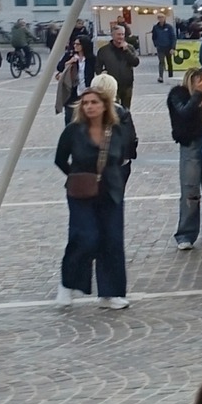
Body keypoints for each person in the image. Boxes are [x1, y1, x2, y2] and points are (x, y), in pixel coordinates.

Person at [55, 83, 135, 309]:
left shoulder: (116, 130)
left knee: (112, 240)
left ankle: (110, 293)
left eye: (94, 102)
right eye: (86, 103)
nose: (89, 106)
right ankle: (67, 283)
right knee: (85, 237)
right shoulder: (73, 130)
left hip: (110, 192)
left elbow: (122, 156)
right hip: (81, 192)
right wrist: (76, 176)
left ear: (104, 106)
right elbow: (60, 158)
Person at [169, 68, 202, 249]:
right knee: (190, 190)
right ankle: (185, 234)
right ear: (196, 80)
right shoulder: (178, 94)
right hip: (190, 143)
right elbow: (184, 113)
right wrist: (198, 94)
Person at [97, 25, 141, 111]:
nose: (121, 37)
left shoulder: (130, 48)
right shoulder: (104, 50)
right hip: (111, 86)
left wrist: (127, 51)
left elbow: (135, 62)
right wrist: (102, 74)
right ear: (112, 35)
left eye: (122, 34)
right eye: (118, 34)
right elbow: (98, 67)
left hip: (127, 85)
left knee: (126, 111)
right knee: (114, 110)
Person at [54, 30, 96, 115]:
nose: (75, 46)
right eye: (74, 44)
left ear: (84, 45)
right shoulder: (70, 55)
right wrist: (69, 62)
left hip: (86, 90)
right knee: (70, 116)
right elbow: (59, 67)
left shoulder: (92, 59)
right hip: (72, 91)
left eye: (78, 44)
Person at [151, 16, 178, 83]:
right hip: (160, 48)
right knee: (161, 62)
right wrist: (156, 44)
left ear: (165, 18)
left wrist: (173, 48)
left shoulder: (169, 27)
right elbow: (154, 37)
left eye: (162, 18)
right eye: (160, 18)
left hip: (168, 47)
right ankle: (161, 77)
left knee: (169, 62)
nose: (161, 19)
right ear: (158, 19)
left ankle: (170, 76)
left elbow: (173, 37)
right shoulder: (155, 27)